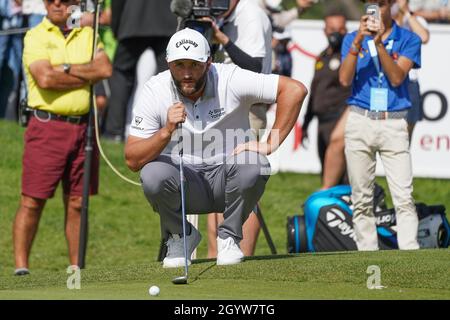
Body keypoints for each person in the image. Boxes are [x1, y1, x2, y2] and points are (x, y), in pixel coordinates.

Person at [125, 28, 307, 267]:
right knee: (151, 174)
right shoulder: (155, 89)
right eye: (179, 65)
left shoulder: (229, 78)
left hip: (227, 177)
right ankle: (181, 235)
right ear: (168, 63)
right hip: (184, 181)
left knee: (256, 165)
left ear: (209, 62)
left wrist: (270, 143)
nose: (187, 73)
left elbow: (295, 90)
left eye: (194, 64)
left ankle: (229, 237)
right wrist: (166, 131)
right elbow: (132, 160)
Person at [13, 0, 112, 276]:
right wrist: (84, 72)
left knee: (78, 203)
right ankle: (21, 268)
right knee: (32, 200)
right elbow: (44, 79)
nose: (58, 3)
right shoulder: (36, 35)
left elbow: (104, 70)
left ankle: (76, 270)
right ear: (44, 4)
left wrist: (64, 69)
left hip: (84, 128)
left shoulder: (88, 34)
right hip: (46, 127)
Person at [339, 0, 421, 250]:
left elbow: (397, 77)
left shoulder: (409, 39)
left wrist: (378, 45)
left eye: (382, 4)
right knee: (361, 199)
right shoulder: (353, 38)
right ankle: (368, 255)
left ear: (392, 7)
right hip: (360, 119)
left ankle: (409, 252)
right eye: (371, 4)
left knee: (403, 197)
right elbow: (344, 79)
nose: (377, 10)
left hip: (393, 122)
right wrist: (357, 43)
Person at [201, 0, 272, 258]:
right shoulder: (221, 15)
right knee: (217, 183)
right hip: (222, 109)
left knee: (243, 182)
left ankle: (241, 255)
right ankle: (215, 254)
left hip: (247, 109)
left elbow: (254, 67)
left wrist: (224, 40)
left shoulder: (250, 13)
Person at [102, 0, 177, 142]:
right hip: (167, 21)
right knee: (170, 76)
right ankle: (172, 129)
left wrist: (116, 26)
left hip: (133, 22)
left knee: (121, 74)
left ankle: (114, 132)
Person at [302, 11, 351, 185]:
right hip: (322, 122)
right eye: (332, 29)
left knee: (344, 174)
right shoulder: (322, 57)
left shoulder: (349, 57)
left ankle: (349, 209)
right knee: (326, 169)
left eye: (341, 29)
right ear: (325, 31)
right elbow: (314, 91)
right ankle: (330, 209)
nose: (336, 33)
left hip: (340, 121)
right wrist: (306, 123)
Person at [392, 0, 429, 140]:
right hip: (389, 81)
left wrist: (406, 13)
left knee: (406, 134)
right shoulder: (388, 20)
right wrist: (398, 16)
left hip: (410, 82)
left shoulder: (416, 20)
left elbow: (424, 37)